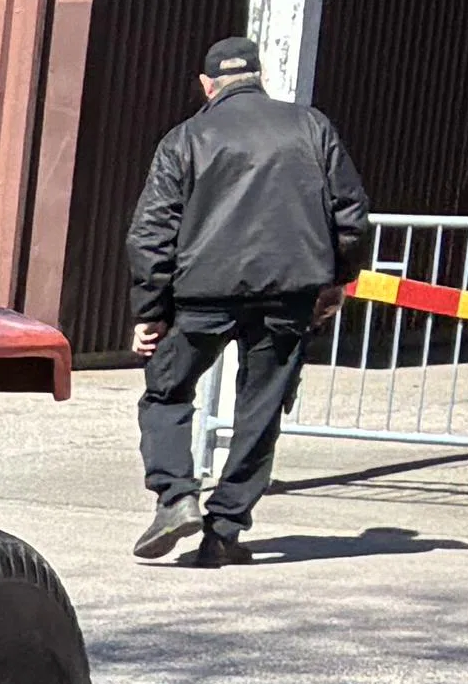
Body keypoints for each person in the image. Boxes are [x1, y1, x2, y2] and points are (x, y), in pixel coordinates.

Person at [125, 36, 375, 566]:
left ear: (207, 84)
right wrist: (337, 282)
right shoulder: (312, 127)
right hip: (289, 295)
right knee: (259, 410)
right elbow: (349, 213)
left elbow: (151, 231)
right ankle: (225, 533)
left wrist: (151, 311)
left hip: (202, 296)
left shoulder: (185, 138)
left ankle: (176, 497)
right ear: (260, 76)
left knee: (167, 393)